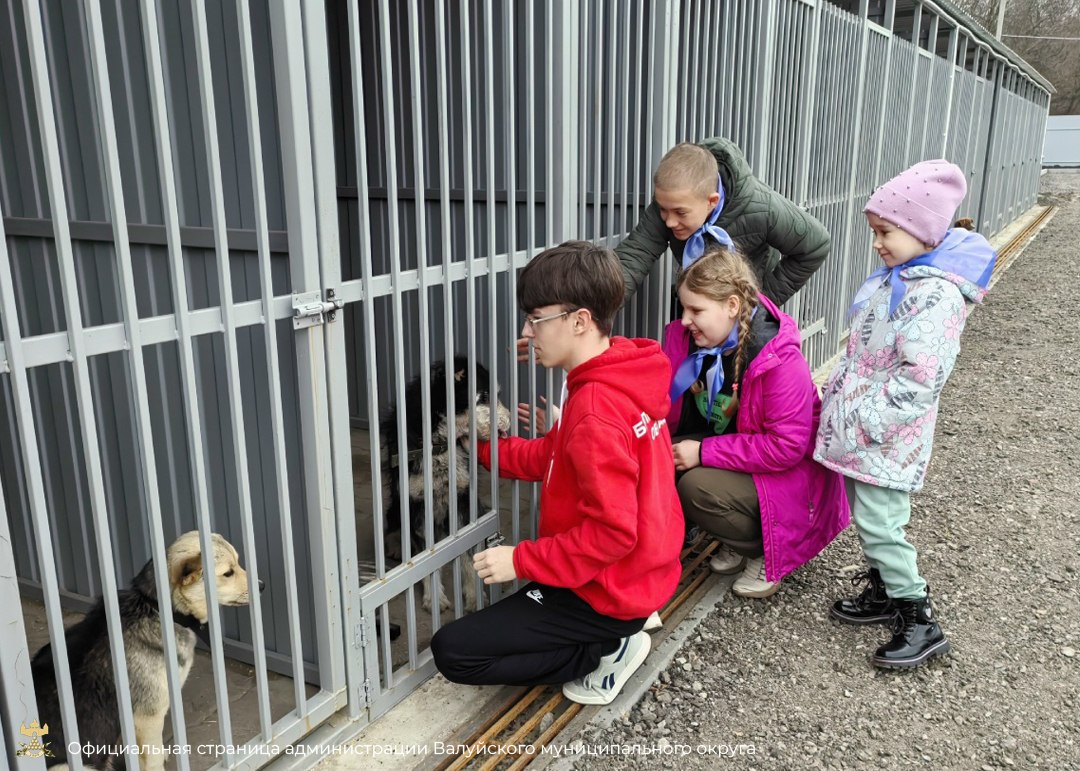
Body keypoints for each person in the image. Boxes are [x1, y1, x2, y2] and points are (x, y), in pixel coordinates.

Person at [431, 241, 684, 706]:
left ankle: (607, 649)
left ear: (580, 320)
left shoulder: (594, 410)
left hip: (607, 590)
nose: (527, 331)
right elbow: (552, 454)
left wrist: (521, 560)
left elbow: (611, 533)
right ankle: (616, 630)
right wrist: (486, 450)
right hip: (638, 576)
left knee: (454, 653)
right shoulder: (621, 371)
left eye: (536, 317)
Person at [814, 159, 995, 669]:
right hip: (867, 433)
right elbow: (866, 354)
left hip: (886, 437)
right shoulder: (898, 279)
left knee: (881, 524)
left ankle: (919, 615)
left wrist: (866, 420)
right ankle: (884, 592)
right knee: (870, 520)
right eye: (875, 231)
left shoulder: (933, 294)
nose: (877, 243)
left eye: (886, 231)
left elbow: (920, 378)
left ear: (922, 229)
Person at [664, 245, 849, 599]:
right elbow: (659, 396)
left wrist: (702, 451)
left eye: (696, 309)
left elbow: (786, 446)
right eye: (684, 307)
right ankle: (736, 533)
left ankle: (765, 550)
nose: (685, 320)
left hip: (793, 477)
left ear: (732, 306)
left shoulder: (778, 359)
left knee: (696, 486)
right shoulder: (698, 343)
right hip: (746, 450)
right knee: (663, 455)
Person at [616, 138, 830, 305]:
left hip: (743, 316)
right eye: (663, 209)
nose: (669, 222)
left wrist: (761, 302)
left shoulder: (763, 208)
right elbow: (635, 255)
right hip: (697, 306)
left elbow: (816, 245)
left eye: (680, 213)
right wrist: (597, 307)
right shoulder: (673, 201)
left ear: (711, 201)